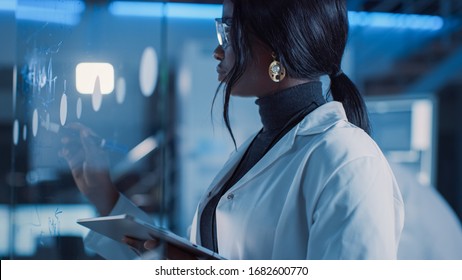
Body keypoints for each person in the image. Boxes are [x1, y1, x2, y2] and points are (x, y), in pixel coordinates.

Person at [61, 0, 404, 260]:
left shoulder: (348, 160)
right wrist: (104, 195)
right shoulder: (264, 146)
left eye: (228, 32)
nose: (217, 50)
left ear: (274, 49)